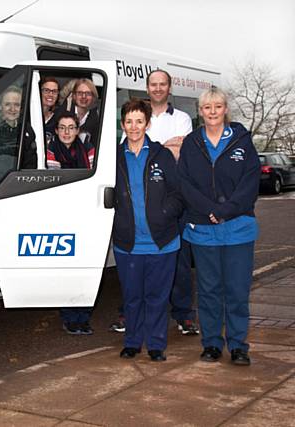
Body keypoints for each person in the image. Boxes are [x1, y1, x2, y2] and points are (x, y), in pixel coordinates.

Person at [110, 69, 198, 336]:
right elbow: (136, 149)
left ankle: (183, 314)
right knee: (134, 269)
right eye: (153, 84)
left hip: (169, 193)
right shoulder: (138, 116)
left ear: (169, 88)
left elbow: (178, 150)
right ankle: (130, 315)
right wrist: (164, 146)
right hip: (141, 200)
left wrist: (157, 148)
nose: (158, 89)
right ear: (146, 88)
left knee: (179, 263)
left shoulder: (182, 118)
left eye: (162, 84)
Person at [178, 87, 260, 366]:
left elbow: (250, 183)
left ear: (225, 109)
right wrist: (210, 210)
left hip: (238, 228)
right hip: (202, 230)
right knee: (209, 290)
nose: (212, 112)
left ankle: (238, 346)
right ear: (200, 112)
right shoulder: (191, 143)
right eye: (207, 108)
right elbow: (185, 184)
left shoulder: (242, 141)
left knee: (237, 291)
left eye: (217, 106)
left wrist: (225, 211)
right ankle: (212, 343)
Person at [113, 98, 183, 362]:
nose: (134, 126)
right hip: (127, 243)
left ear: (147, 123)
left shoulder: (161, 155)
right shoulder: (114, 157)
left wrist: (165, 214)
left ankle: (155, 345)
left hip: (162, 242)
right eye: (129, 121)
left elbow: (178, 193)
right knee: (132, 297)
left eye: (139, 121)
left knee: (156, 297)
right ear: (123, 124)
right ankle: (132, 341)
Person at [47, 112, 93, 334]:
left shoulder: (88, 149)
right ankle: (69, 317)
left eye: (71, 127)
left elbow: (94, 175)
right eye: (62, 128)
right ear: (56, 130)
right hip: (59, 216)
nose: (67, 132)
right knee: (66, 269)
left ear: (78, 130)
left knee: (85, 268)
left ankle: (84, 317)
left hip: (86, 216)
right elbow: (56, 180)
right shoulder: (50, 149)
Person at [65, 78, 101, 167]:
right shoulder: (63, 115)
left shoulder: (97, 121)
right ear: (74, 96)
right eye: (80, 93)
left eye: (88, 93)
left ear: (93, 97)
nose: (84, 97)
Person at [40, 77, 60, 147]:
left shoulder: (59, 120)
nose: (50, 94)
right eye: (46, 90)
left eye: (54, 91)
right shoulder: (28, 117)